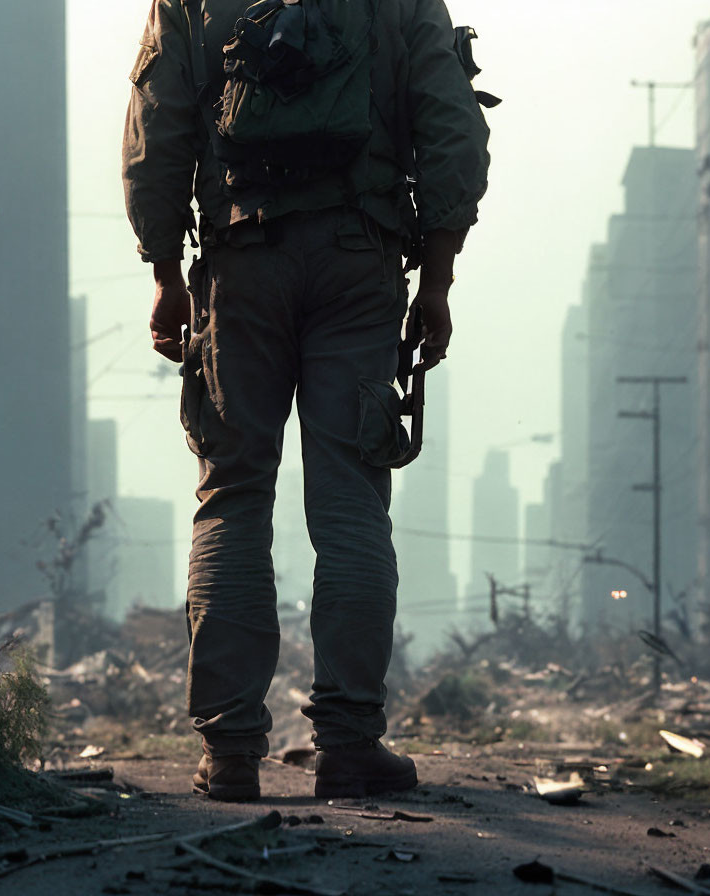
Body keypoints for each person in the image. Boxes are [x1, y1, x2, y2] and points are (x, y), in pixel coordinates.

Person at [122, 0, 490, 802]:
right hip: (360, 263)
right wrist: (437, 278)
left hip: (238, 263)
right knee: (352, 503)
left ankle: (229, 754)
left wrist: (162, 272)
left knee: (233, 497)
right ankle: (351, 745)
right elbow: (449, 125)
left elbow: (158, 126)